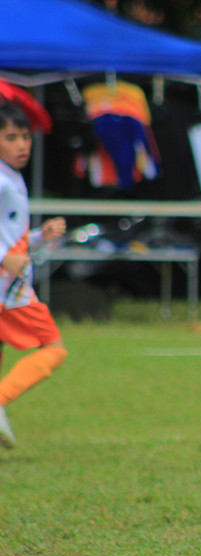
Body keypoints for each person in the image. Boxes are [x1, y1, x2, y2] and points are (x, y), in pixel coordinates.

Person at [0, 102, 68, 449]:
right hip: (10, 291)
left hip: (9, 285)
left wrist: (40, 235)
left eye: (25, 136)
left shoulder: (12, 178)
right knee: (54, 349)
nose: (22, 144)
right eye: (11, 137)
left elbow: (11, 236)